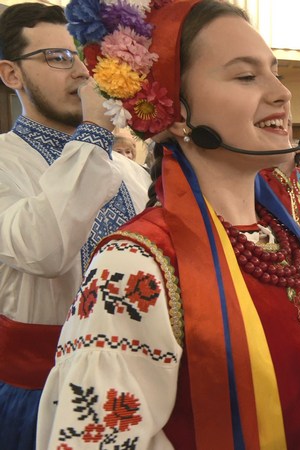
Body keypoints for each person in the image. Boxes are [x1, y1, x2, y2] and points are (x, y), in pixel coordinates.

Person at [37, 1, 300, 448]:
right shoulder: (134, 265)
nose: (282, 92)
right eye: (246, 76)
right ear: (179, 111)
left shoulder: (283, 233)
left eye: (275, 72)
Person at [0, 4, 148, 447]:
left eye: (85, 56)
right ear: (11, 74)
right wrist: (93, 133)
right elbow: (44, 249)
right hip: (37, 395)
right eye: (58, 58)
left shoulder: (129, 172)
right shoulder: (5, 160)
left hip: (139, 387)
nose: (84, 73)